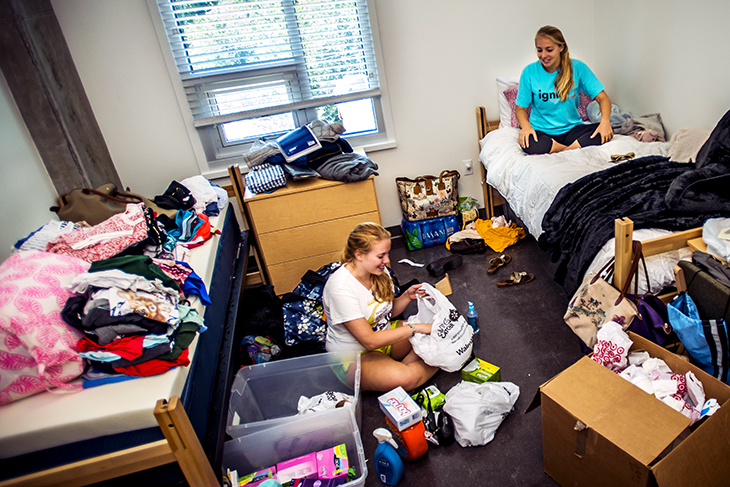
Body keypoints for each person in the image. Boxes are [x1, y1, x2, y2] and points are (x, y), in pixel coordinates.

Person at [323, 222, 438, 392]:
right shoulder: (340, 288)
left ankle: (402, 367)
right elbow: (369, 341)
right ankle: (442, 363)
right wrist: (417, 328)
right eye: (381, 256)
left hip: (382, 336)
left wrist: (407, 297)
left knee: (437, 335)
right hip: (355, 356)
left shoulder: (378, 272)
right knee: (407, 376)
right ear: (359, 255)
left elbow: (386, 314)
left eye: (387, 254)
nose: (387, 260)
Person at [516, 25, 613, 155]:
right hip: (542, 132)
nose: (543, 55)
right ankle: (570, 148)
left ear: (561, 47)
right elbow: (520, 109)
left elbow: (603, 98)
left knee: (604, 132)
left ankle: (562, 149)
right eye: (539, 50)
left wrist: (605, 122)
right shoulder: (529, 72)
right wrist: (526, 127)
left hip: (572, 130)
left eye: (549, 50)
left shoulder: (578, 67)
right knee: (529, 142)